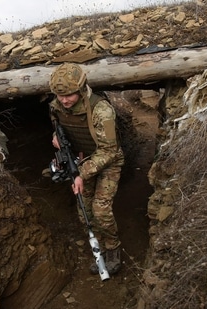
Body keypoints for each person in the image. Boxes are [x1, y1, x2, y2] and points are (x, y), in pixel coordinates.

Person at [48, 62, 125, 275]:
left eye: (69, 95)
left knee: (100, 210)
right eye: (59, 95)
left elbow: (109, 152)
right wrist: (56, 138)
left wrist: (80, 174)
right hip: (82, 160)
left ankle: (112, 249)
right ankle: (97, 245)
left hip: (108, 161)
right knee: (85, 211)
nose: (64, 100)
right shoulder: (56, 106)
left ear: (81, 89)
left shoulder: (101, 110)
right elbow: (58, 127)